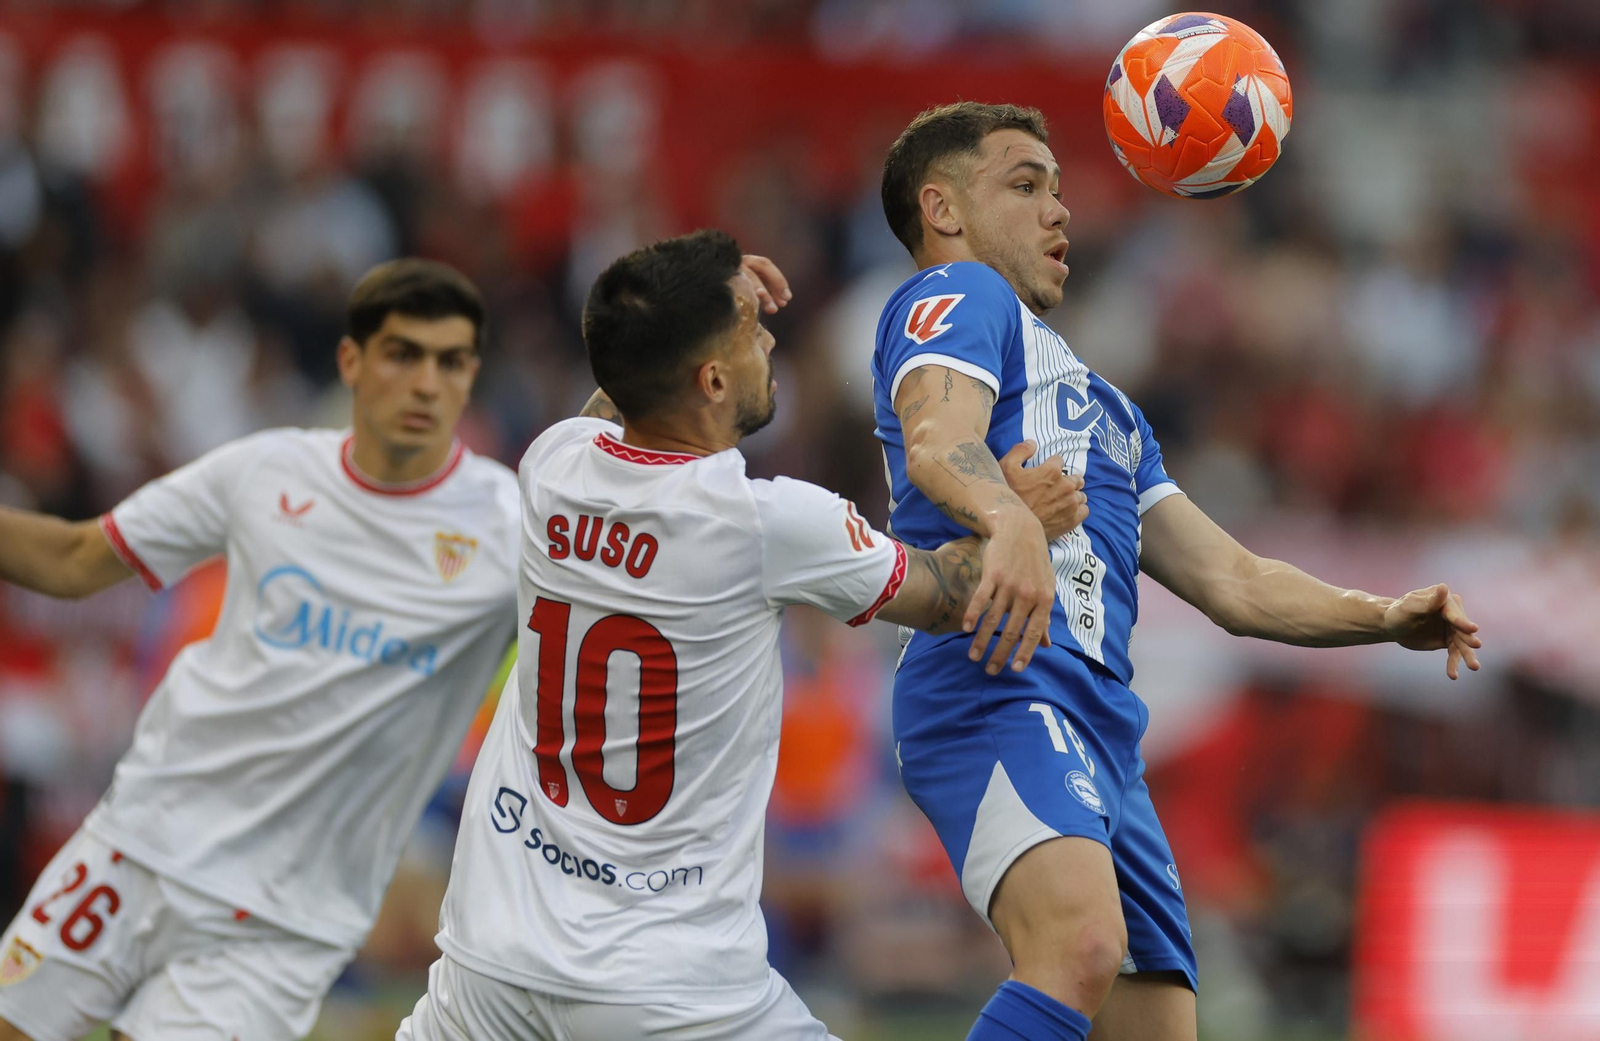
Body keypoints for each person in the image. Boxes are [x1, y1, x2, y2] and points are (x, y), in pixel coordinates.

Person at [871, 101, 1485, 1041]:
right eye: (1025, 185)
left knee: (1157, 1028)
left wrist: (1383, 615)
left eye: (1058, 189)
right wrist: (1009, 517)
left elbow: (1234, 581)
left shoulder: (1109, 408)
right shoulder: (959, 294)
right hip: (998, 677)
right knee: (1078, 948)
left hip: (1104, 724)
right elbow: (935, 438)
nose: (1058, 210)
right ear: (942, 209)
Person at [394, 229, 1086, 1041]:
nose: (769, 342)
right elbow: (949, 596)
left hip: (488, 966)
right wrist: (1019, 520)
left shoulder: (551, 464)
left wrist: (694, 291)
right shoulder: (769, 524)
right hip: (669, 990)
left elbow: (622, 384)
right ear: (713, 379)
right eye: (751, 330)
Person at [0, 259, 524, 1041]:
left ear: (471, 376)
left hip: (279, 921)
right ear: (351, 360)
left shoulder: (511, 529)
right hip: (140, 840)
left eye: (450, 362)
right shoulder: (267, 470)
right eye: (402, 354)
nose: (425, 383)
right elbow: (75, 559)